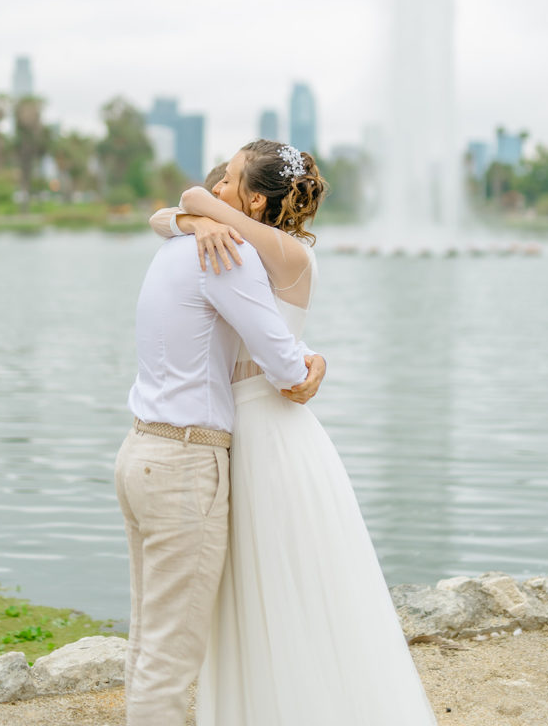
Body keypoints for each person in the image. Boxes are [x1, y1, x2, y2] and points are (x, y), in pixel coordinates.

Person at [151, 139, 438, 726]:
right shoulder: (241, 247)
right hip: (240, 426)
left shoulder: (286, 255)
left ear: (256, 201)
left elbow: (191, 197)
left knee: (288, 581)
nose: (218, 185)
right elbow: (169, 216)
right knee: (247, 591)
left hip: (270, 430)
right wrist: (189, 219)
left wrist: (196, 211)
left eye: (231, 181)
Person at [114, 211, 327, 726]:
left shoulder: (176, 246)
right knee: (170, 655)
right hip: (185, 461)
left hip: (141, 448)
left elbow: (163, 216)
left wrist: (186, 217)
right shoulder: (227, 255)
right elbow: (282, 366)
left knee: (149, 636)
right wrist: (311, 362)